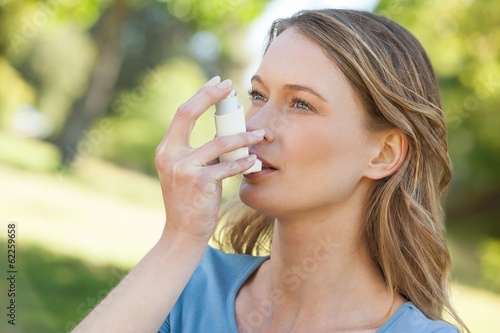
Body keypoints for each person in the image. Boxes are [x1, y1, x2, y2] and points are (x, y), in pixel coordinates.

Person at [72, 9, 468, 333]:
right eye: (257, 96)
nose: (253, 127)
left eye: (300, 104)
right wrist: (179, 239)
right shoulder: (186, 286)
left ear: (383, 153)